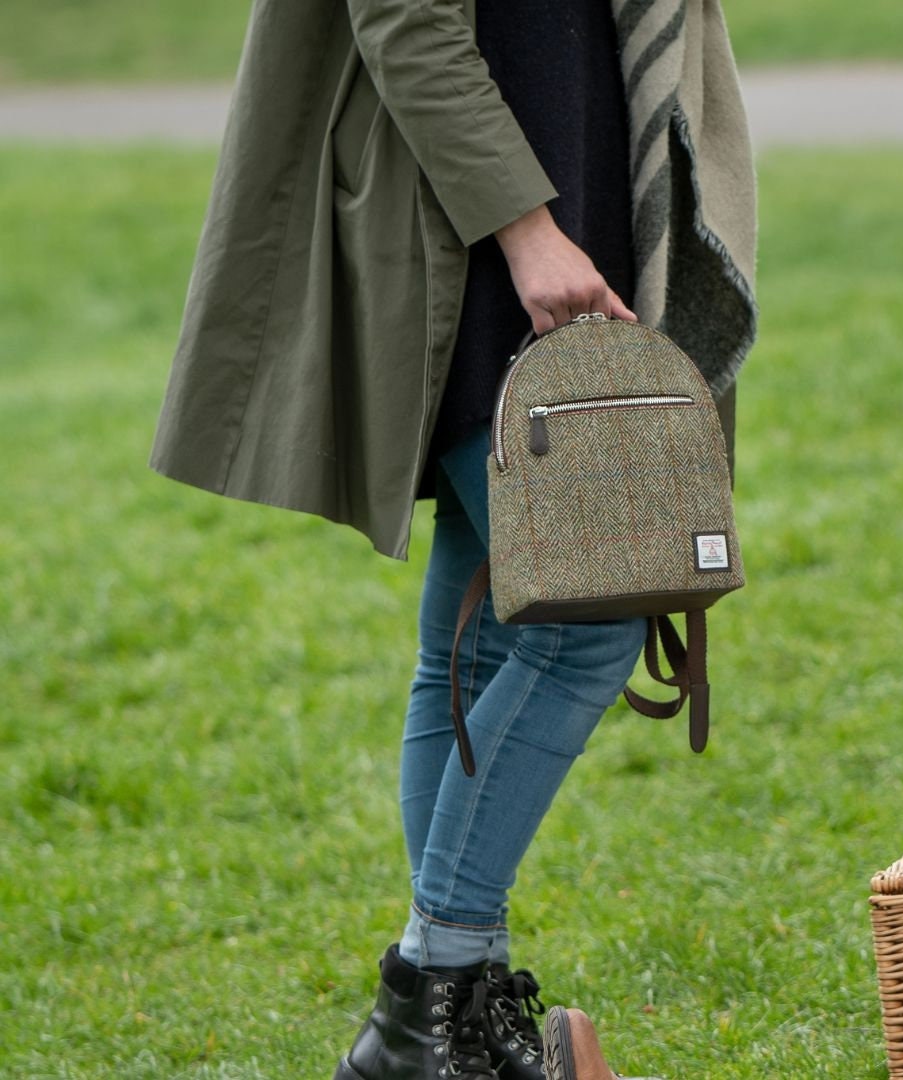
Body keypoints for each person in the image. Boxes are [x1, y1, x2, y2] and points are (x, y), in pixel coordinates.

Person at [150, 1, 758, 1077]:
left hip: (563, 198)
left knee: (472, 636)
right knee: (589, 621)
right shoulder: (512, 235)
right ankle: (432, 999)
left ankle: (454, 1023)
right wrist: (525, 233)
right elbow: (403, 19)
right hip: (480, 229)